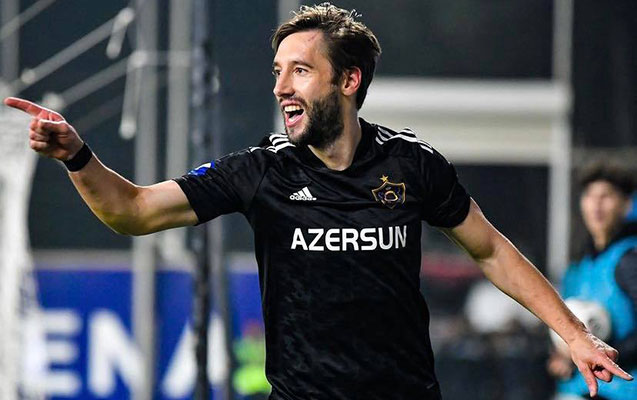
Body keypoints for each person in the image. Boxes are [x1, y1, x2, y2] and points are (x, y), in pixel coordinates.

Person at [4, 3, 633, 399]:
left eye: (300, 70)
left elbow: (490, 250)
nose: (281, 86)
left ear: (349, 80)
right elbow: (134, 211)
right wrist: (78, 157)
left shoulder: (412, 164)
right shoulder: (260, 170)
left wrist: (574, 334)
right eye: (278, 71)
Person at [548, 162, 637, 399]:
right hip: (579, 389)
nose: (596, 205)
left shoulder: (630, 259)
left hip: (623, 391)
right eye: (590, 196)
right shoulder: (578, 266)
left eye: (606, 196)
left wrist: (600, 357)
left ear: (626, 204)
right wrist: (559, 356)